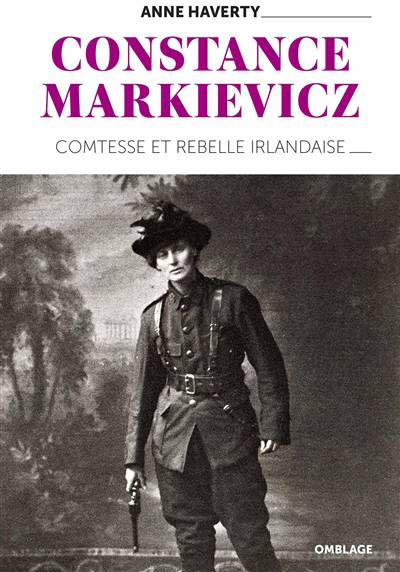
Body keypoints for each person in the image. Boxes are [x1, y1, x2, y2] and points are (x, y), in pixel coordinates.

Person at [125, 201, 290, 572]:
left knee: (250, 535)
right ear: (155, 264)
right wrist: (133, 460)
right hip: (173, 442)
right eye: (162, 254)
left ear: (195, 250)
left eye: (179, 248)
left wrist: (274, 423)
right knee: (191, 539)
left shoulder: (234, 300)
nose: (173, 260)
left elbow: (269, 364)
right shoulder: (153, 317)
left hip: (230, 434)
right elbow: (142, 394)